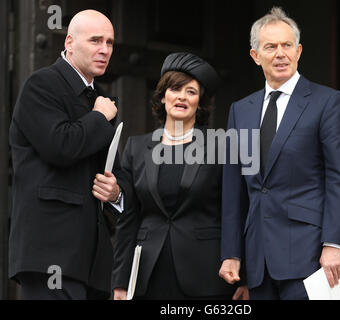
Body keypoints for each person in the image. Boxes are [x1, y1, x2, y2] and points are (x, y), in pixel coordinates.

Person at [219, 7, 340, 300]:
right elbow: (234, 188)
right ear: (255, 56)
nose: (280, 53)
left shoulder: (328, 102)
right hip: (258, 261)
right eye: (270, 46)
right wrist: (232, 253)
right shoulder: (240, 110)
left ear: (298, 51)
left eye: (287, 45)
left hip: (310, 256)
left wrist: (334, 243)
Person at [105, 52, 247, 300]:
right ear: (162, 97)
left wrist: (244, 276)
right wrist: (120, 281)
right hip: (149, 276)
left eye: (191, 92)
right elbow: (129, 219)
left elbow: (236, 211)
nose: (182, 96)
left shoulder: (221, 145)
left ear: (200, 103)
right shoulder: (136, 148)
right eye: (175, 89)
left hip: (207, 276)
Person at [8, 10, 124, 300]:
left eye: (109, 43)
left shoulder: (102, 99)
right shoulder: (42, 85)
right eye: (95, 40)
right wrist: (99, 116)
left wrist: (116, 193)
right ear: (69, 43)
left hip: (92, 263)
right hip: (51, 254)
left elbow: (112, 171)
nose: (104, 49)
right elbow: (60, 147)